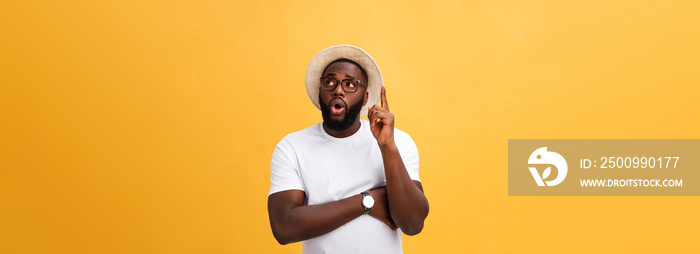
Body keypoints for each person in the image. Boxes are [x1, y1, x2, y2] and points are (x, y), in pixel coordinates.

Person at [267, 45, 429, 253]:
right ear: (320, 92)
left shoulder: (398, 141)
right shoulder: (292, 147)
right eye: (330, 82)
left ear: (365, 97)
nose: (338, 89)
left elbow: (413, 223)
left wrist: (387, 147)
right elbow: (284, 227)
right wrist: (368, 201)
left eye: (350, 84)